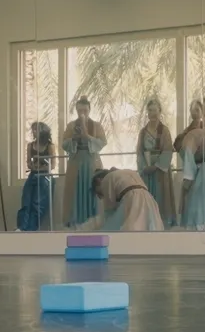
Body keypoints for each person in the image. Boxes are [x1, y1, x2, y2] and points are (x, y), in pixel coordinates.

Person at [59, 97, 106, 229]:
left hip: (91, 162)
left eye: (85, 110)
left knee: (92, 189)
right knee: (75, 191)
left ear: (89, 110)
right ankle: (76, 222)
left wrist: (88, 137)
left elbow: (102, 142)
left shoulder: (96, 125)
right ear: (77, 111)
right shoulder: (71, 126)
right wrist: (74, 139)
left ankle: (93, 221)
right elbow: (64, 144)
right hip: (76, 162)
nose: (82, 113)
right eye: (80, 110)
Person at [136, 98, 178, 227]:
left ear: (160, 111)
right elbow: (139, 151)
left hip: (160, 171)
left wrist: (156, 166)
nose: (152, 113)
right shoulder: (143, 132)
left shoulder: (164, 131)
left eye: (155, 110)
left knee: (161, 197)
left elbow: (167, 150)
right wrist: (144, 167)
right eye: (150, 110)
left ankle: (162, 223)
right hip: (147, 171)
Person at [79, 167, 164, 232]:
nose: (101, 196)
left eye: (100, 193)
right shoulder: (126, 172)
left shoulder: (107, 179)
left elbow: (109, 209)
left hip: (132, 199)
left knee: (130, 226)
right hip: (148, 197)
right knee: (149, 224)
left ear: (99, 180)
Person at [19, 122, 56, 231]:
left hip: (45, 176)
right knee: (26, 201)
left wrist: (41, 168)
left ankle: (31, 228)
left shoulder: (49, 146)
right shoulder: (31, 145)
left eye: (36, 130)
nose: (34, 132)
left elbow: (52, 165)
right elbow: (29, 163)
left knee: (37, 204)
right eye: (33, 130)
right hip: (33, 174)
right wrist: (33, 166)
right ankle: (22, 227)